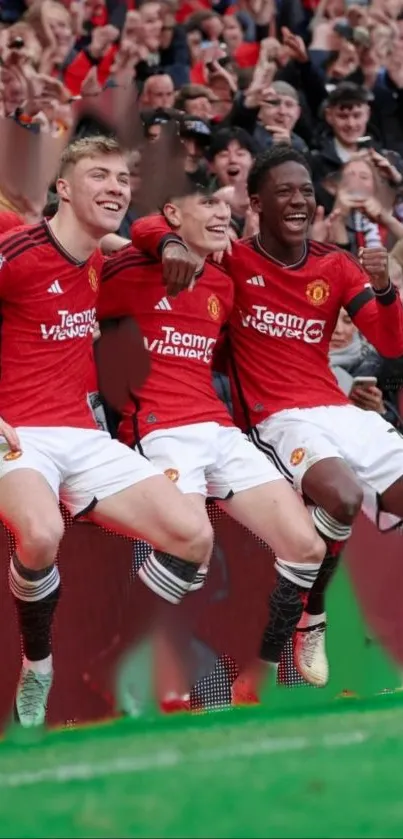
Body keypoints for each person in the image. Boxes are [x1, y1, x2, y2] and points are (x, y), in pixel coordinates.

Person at [130, 144, 403, 698]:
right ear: (255, 203)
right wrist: (172, 240)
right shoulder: (234, 260)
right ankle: (314, 617)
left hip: (336, 407)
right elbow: (145, 225)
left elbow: (391, 340)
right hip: (276, 417)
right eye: (284, 191)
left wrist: (385, 289)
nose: (299, 199)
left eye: (306, 190)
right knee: (343, 497)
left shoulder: (336, 263)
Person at [0, 135, 214, 729]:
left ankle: (114, 656)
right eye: (99, 176)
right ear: (63, 189)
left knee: (194, 537)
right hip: (18, 434)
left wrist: (167, 236)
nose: (115, 187)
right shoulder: (16, 252)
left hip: (84, 435)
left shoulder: (99, 258)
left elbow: (144, 234)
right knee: (41, 535)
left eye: (122, 179)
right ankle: (38, 664)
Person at [97, 184, 326, 704]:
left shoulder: (223, 284)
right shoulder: (129, 271)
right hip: (159, 430)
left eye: (226, 205)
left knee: (307, 547)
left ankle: (257, 677)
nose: (222, 213)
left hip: (220, 431)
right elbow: (95, 254)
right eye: (208, 204)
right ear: (173, 213)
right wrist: (145, 241)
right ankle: (113, 657)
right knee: (190, 549)